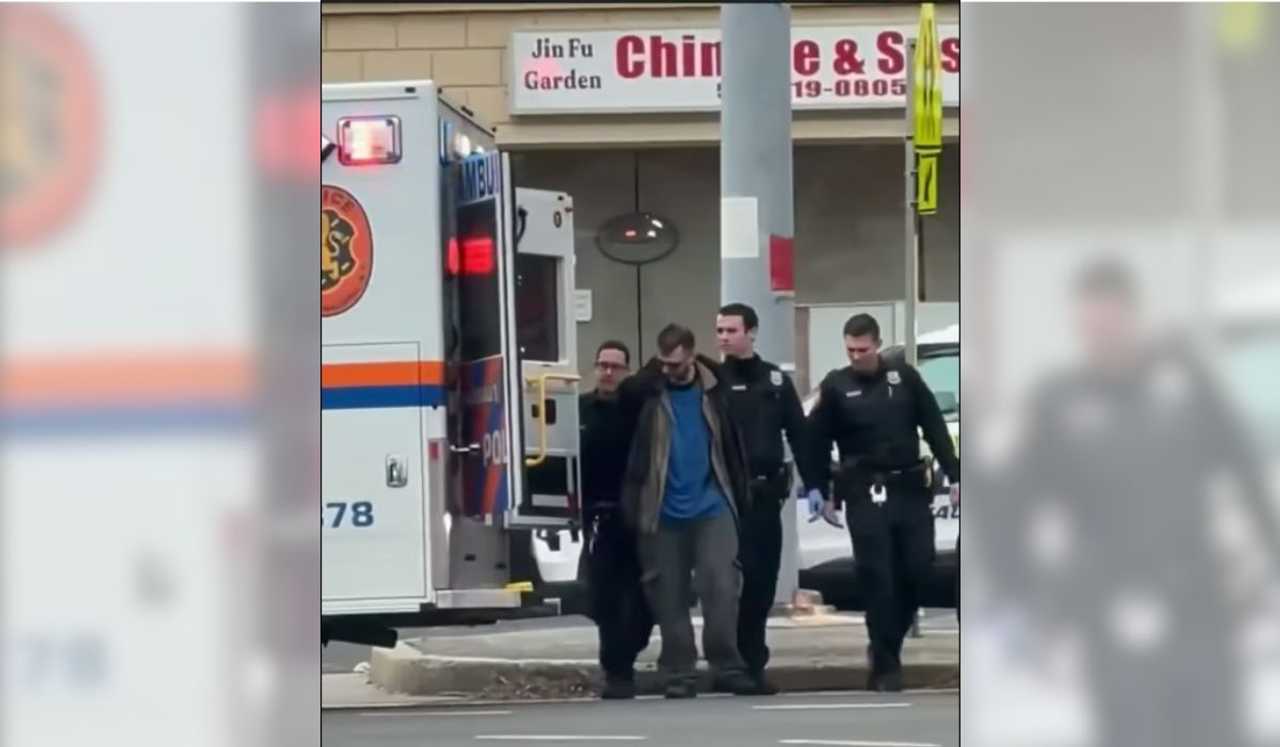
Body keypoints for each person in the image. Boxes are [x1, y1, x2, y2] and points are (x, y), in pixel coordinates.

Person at [807, 313, 960, 692]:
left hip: (908, 487)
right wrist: (818, 486)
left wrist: (955, 473)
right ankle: (886, 666)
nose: (857, 356)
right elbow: (816, 441)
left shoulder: (904, 378)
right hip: (864, 491)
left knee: (917, 570)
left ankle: (885, 645)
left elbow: (934, 426)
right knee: (878, 578)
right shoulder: (837, 386)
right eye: (850, 350)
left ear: (876, 345)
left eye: (863, 349)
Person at [616, 323, 765, 698]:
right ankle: (679, 670)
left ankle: (727, 665)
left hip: (712, 502)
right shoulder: (649, 393)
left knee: (721, 583)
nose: (671, 372)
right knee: (668, 592)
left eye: (678, 365)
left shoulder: (716, 390)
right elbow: (624, 394)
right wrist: (654, 370)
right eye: (665, 364)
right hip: (661, 508)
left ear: (692, 356)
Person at [714, 303, 828, 694]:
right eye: (720, 331)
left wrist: (815, 485)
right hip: (724, 498)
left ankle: (752, 663)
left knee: (761, 585)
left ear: (751, 332)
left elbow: (800, 435)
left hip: (764, 498)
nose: (724, 337)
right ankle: (727, 665)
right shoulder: (713, 381)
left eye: (731, 330)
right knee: (727, 585)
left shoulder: (775, 382)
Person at [578, 340, 653, 700]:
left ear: (627, 371)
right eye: (602, 365)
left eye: (616, 367)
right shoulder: (581, 410)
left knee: (644, 598)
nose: (608, 373)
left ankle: (629, 654)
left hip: (641, 517)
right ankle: (616, 672)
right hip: (601, 518)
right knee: (604, 600)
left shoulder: (641, 411)